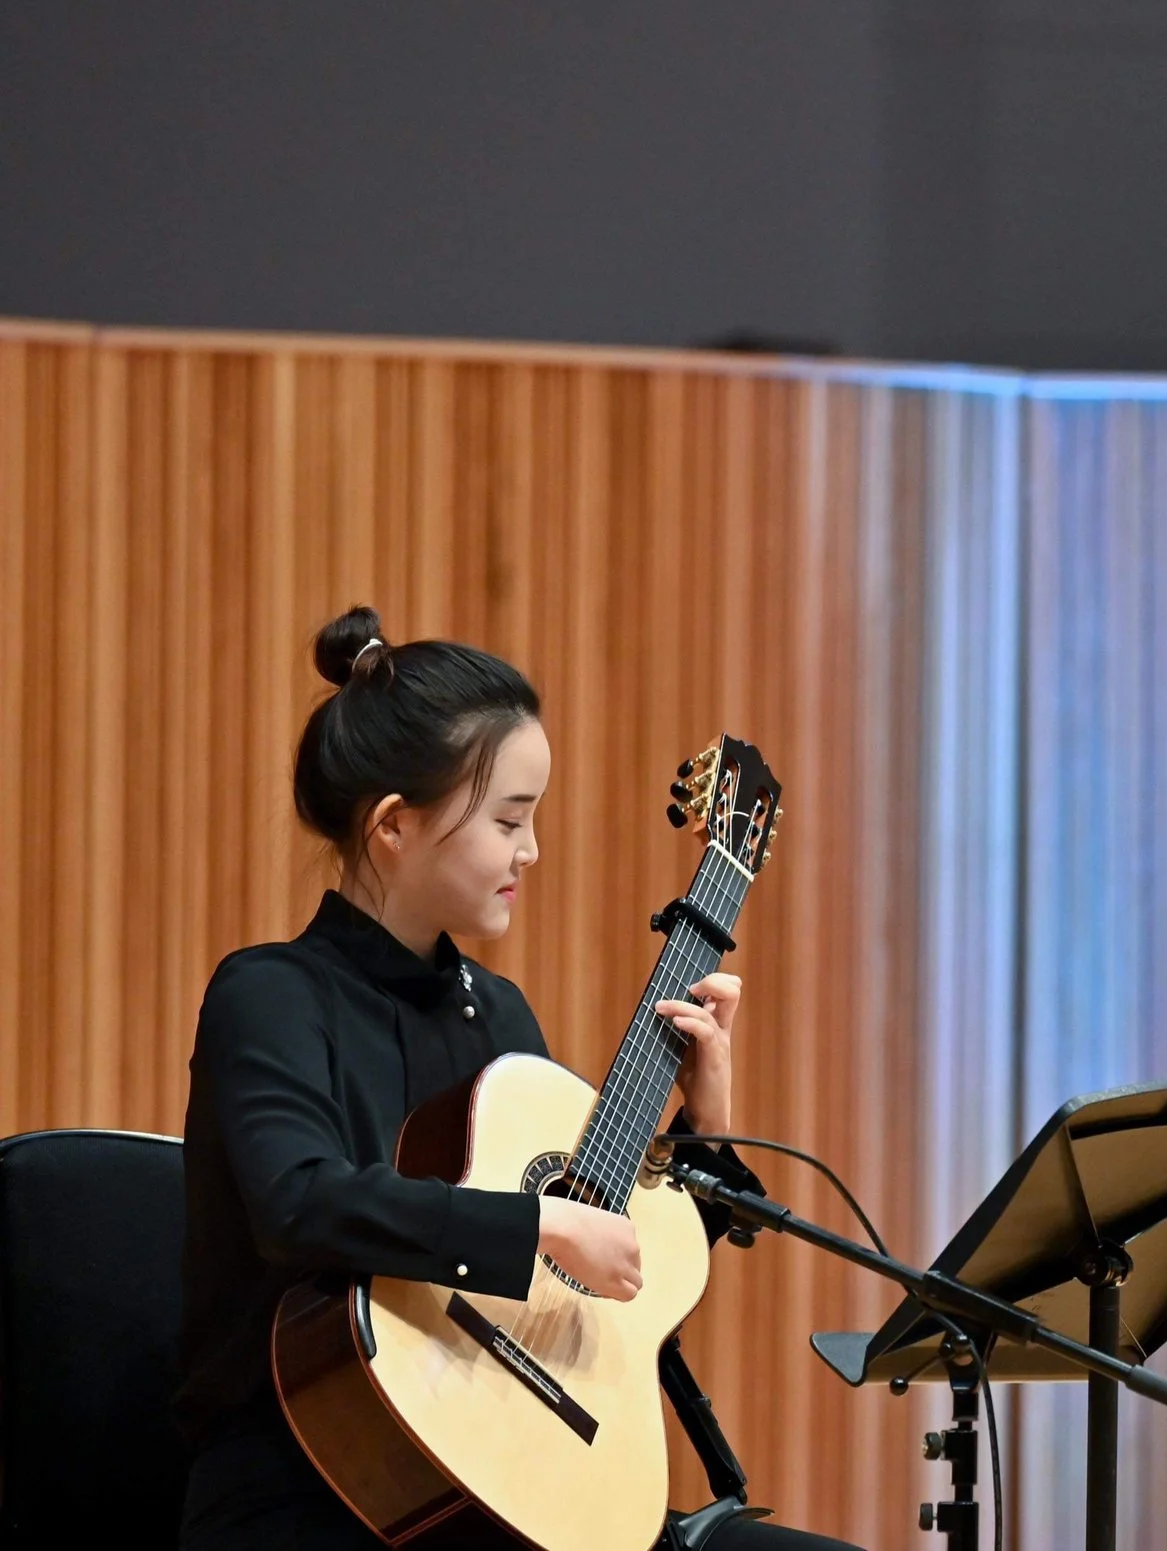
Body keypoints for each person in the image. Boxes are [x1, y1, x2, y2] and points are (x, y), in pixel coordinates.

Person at [174, 606, 836, 1550]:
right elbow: (298, 1203)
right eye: (508, 820)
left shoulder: (501, 1015)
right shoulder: (271, 994)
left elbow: (605, 1252)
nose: (529, 851)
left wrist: (705, 1126)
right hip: (307, 1485)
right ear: (395, 826)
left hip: (509, 1470)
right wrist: (538, 1223)